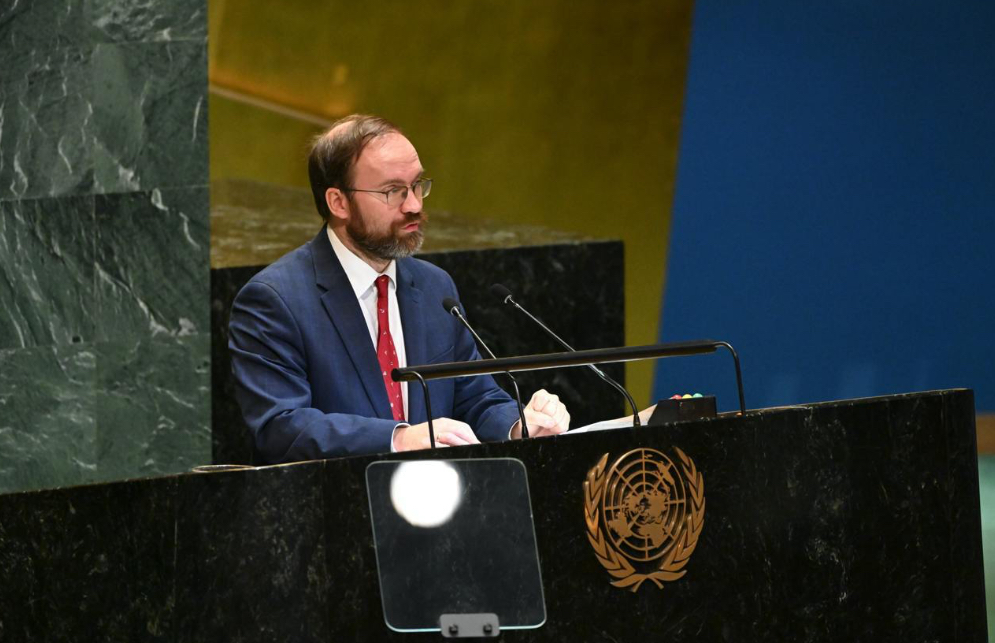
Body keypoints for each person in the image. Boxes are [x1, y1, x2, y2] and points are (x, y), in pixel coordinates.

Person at [228, 114, 570, 463]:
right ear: (338, 202)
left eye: (417, 184)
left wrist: (519, 424)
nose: (414, 205)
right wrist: (399, 438)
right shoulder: (275, 300)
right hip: (340, 494)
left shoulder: (435, 286)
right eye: (393, 191)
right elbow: (281, 427)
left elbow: (474, 397)